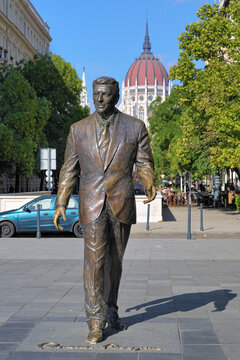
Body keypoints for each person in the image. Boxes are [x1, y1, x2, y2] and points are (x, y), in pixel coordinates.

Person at [53, 76, 156, 344]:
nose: (100, 99)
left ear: (117, 96)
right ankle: (95, 320)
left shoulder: (135, 127)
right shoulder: (79, 129)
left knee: (115, 263)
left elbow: (144, 162)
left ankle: (111, 309)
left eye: (105, 94)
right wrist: (61, 201)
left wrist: (149, 182)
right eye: (96, 94)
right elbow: (68, 169)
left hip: (121, 202)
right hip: (92, 203)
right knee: (95, 262)